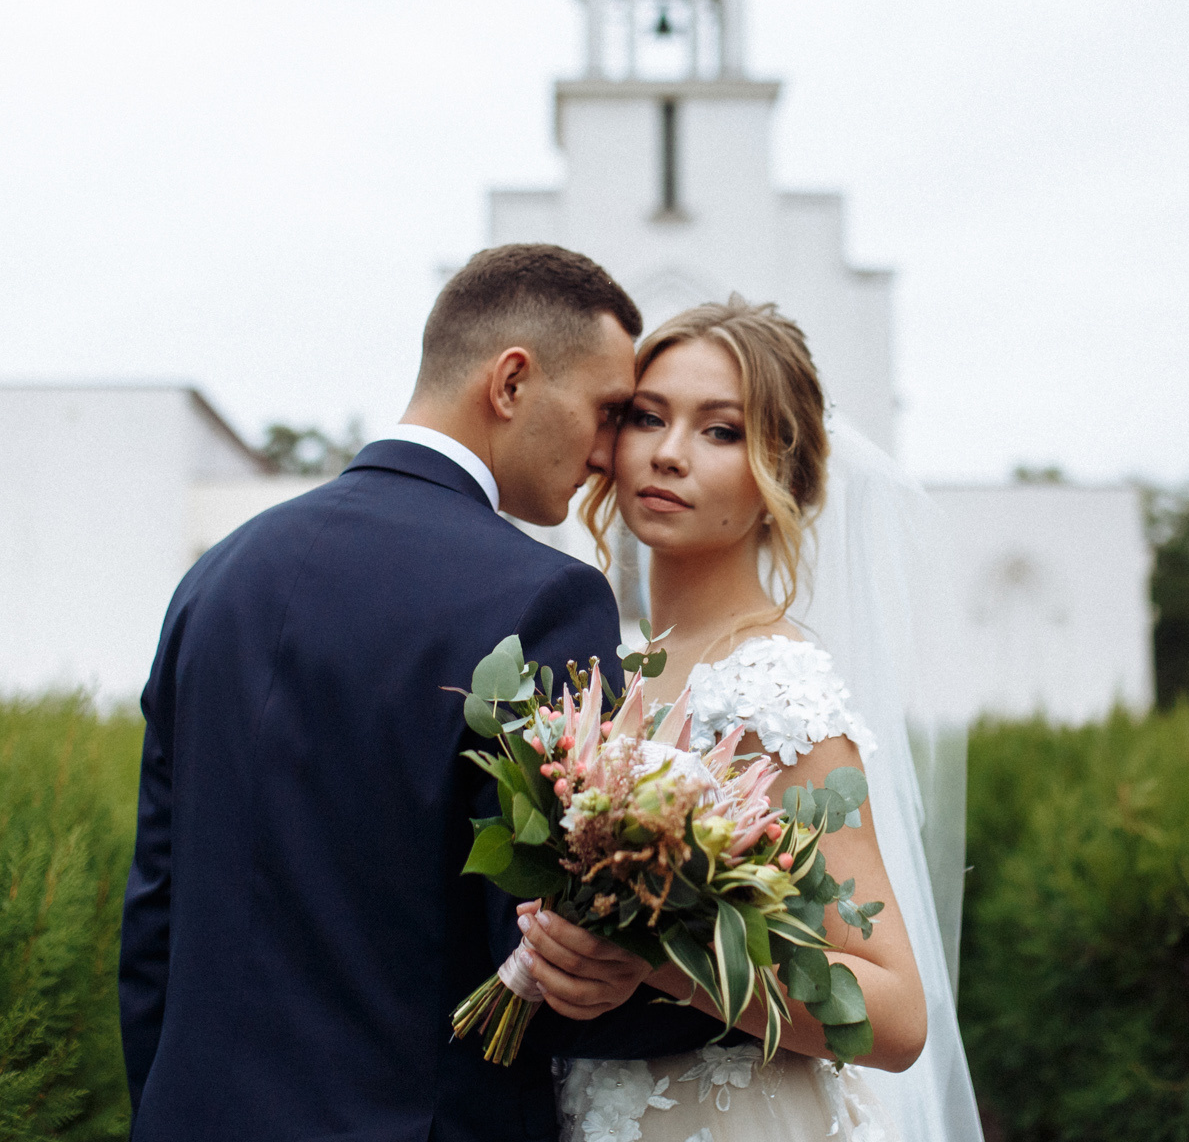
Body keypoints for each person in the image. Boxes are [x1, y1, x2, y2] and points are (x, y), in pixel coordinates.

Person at [120, 244, 732, 1142]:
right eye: (607, 412)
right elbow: (548, 960)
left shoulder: (220, 577)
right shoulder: (543, 600)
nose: (610, 456)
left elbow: (157, 912)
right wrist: (761, 994)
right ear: (512, 382)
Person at [541, 297, 986, 1142]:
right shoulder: (617, 669)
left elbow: (895, 1015)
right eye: (648, 417)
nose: (668, 454)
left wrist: (653, 960)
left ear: (782, 475)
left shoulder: (778, 689)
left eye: (720, 431)